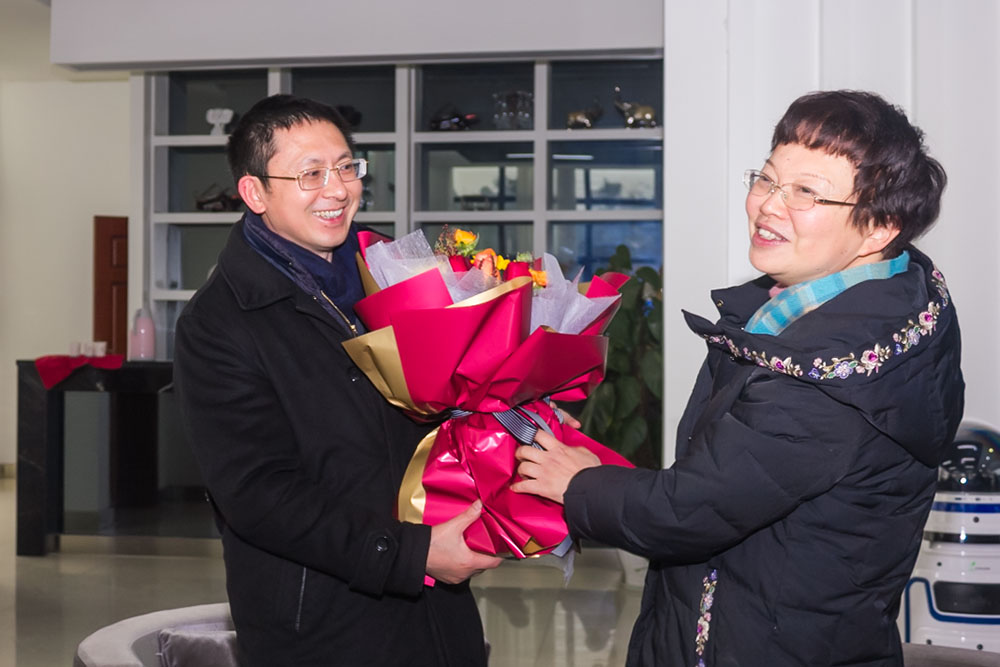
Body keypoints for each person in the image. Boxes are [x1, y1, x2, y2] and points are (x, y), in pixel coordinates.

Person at [513, 90, 964, 666]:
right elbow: (735, 476)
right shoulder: (874, 303)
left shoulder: (827, 378)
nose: (769, 205)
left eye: (806, 192)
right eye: (768, 179)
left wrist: (578, 484)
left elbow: (689, 510)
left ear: (879, 228)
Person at [173, 94, 501, 667]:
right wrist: (411, 555)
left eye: (347, 167)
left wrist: (510, 408)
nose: (338, 189)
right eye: (311, 173)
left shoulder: (393, 272)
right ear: (255, 192)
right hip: (322, 620)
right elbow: (259, 495)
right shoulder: (218, 324)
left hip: (438, 607)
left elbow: (442, 403)